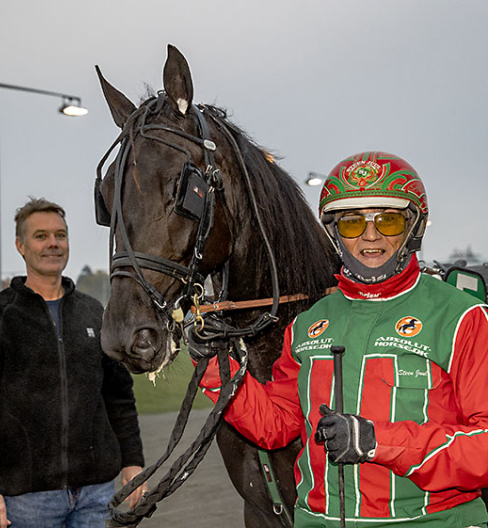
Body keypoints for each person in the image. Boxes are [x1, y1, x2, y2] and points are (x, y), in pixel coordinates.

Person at [200, 152, 488, 527]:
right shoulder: (309, 324)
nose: (371, 236)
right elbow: (276, 426)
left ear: (412, 227)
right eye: (353, 223)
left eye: (388, 220)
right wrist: (213, 364)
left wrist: (375, 441)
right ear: (335, 232)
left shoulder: (462, 317)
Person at [0, 198, 146, 528]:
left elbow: (119, 397)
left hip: (96, 493)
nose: (53, 243)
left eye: (60, 235)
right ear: (21, 245)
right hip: (26, 500)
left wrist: (133, 461)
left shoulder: (93, 312)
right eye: (41, 236)